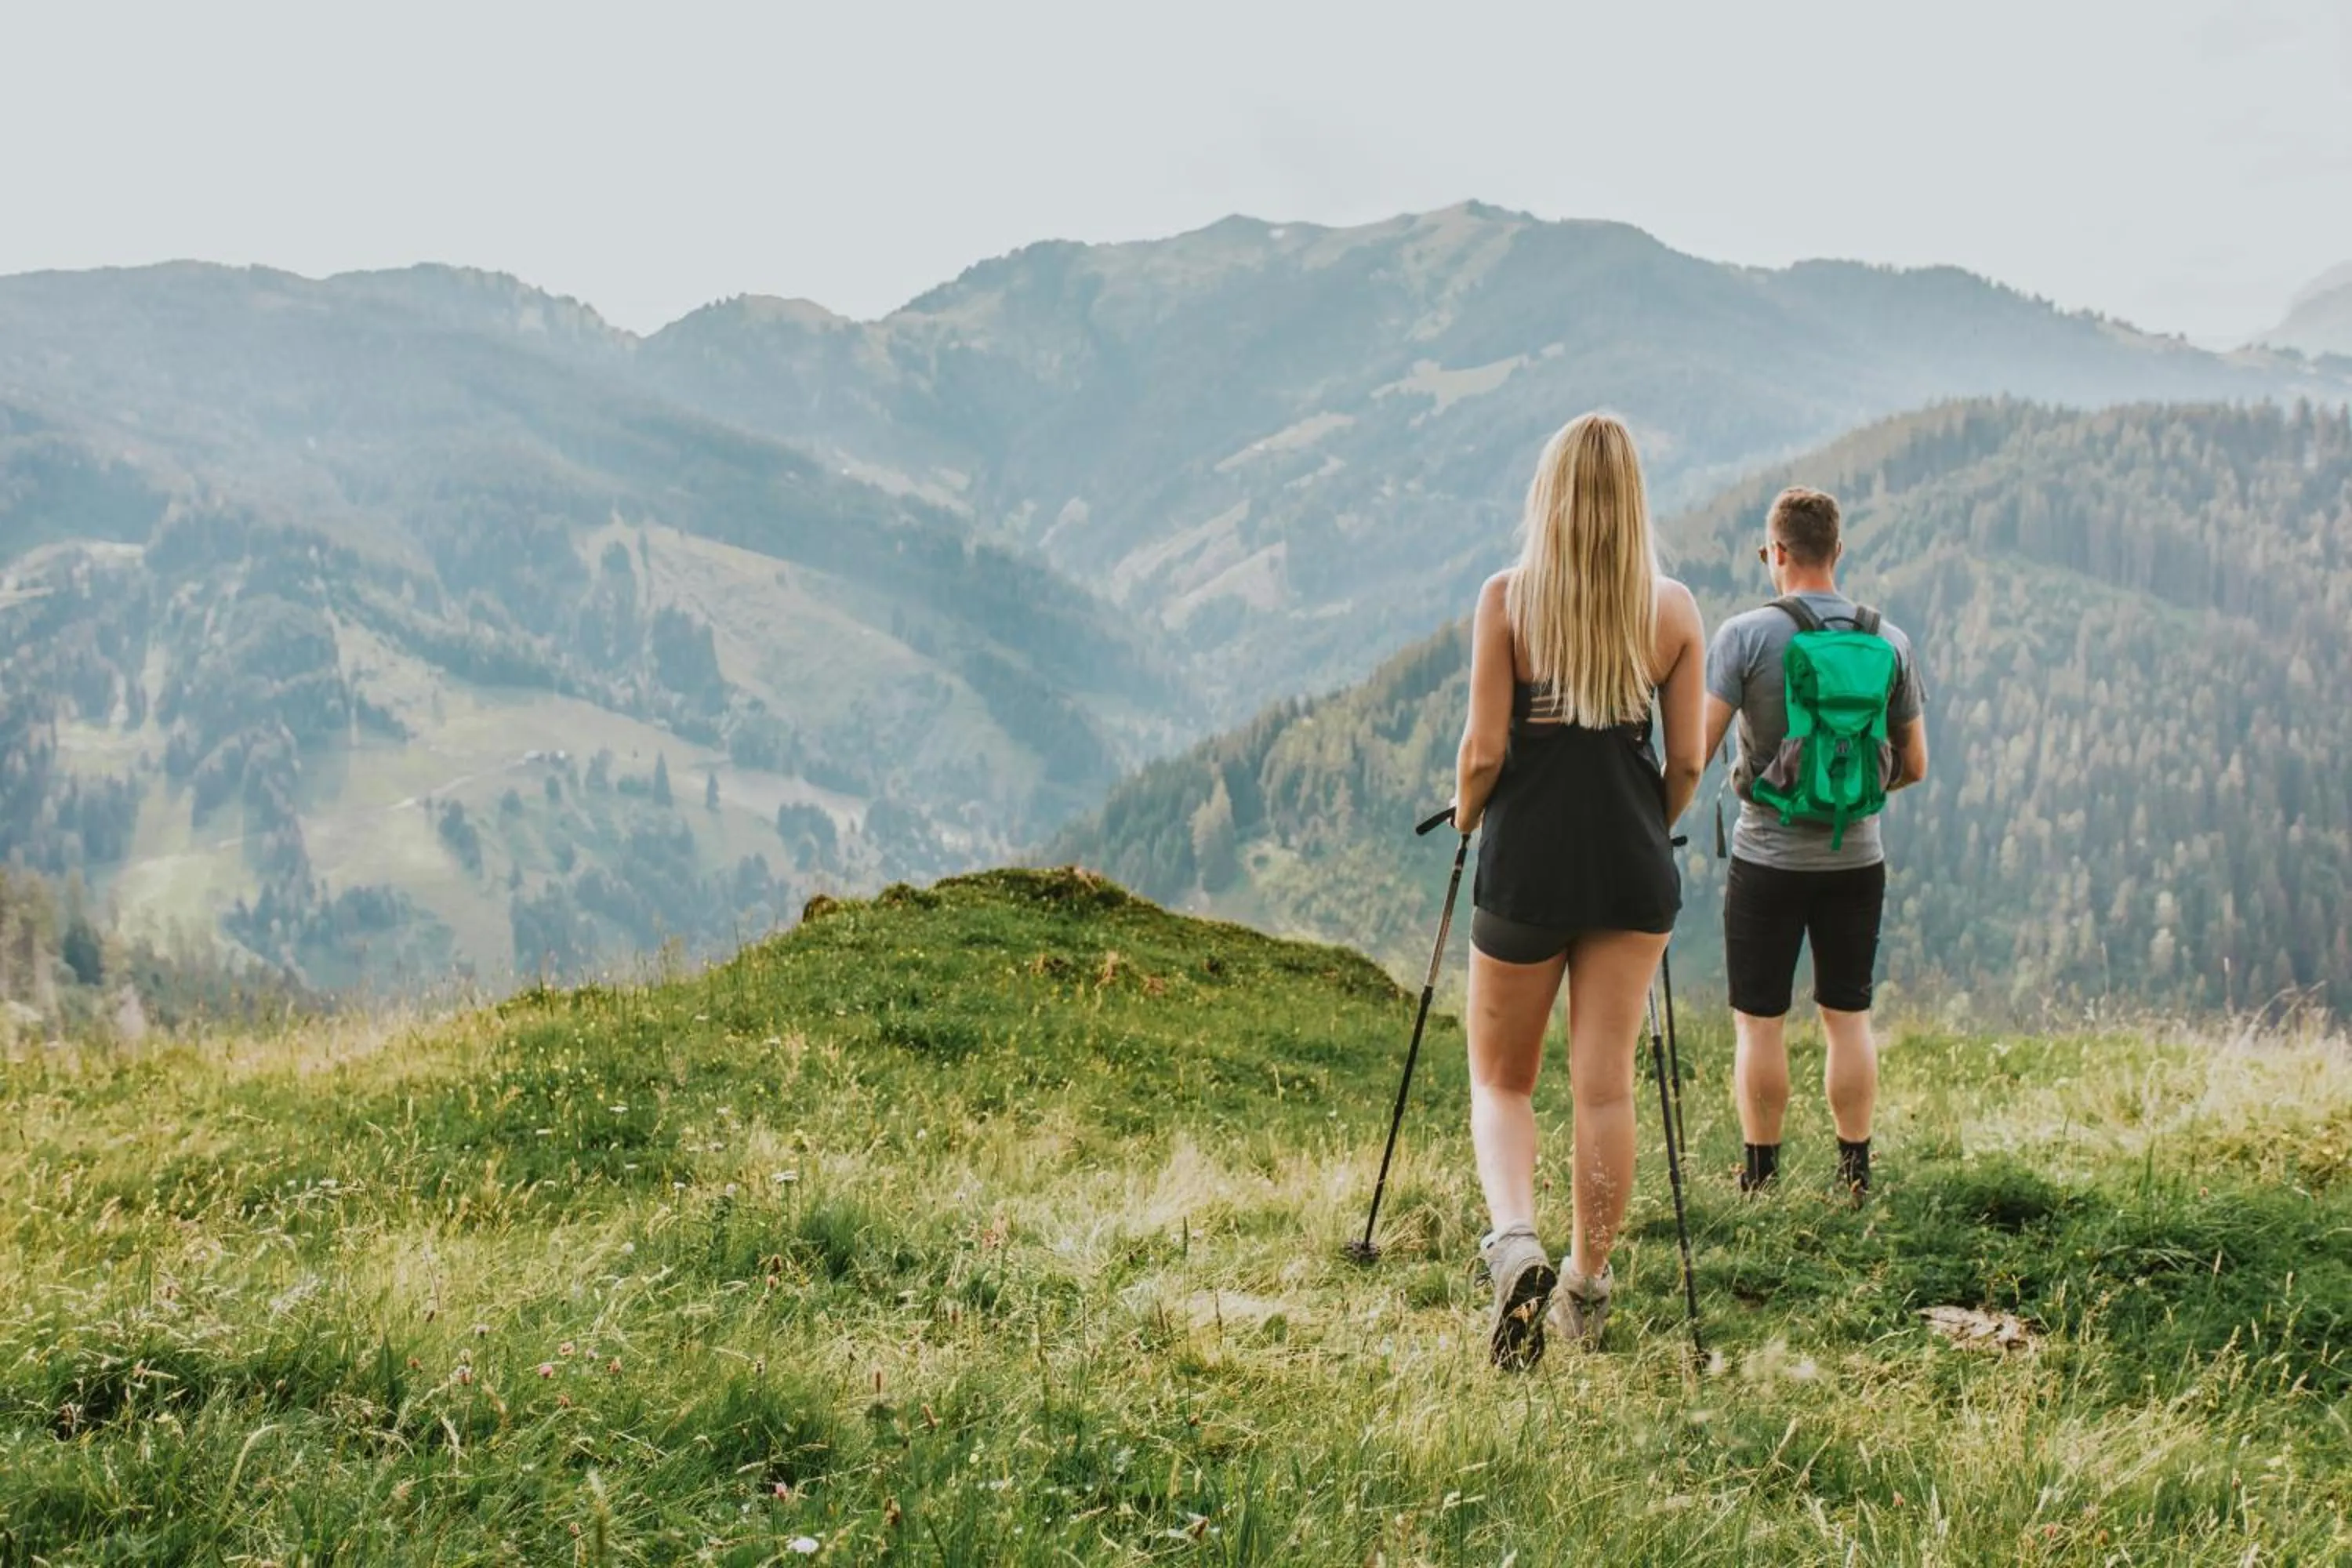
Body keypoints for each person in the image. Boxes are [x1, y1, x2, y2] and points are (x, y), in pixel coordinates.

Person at [1453, 412, 1705, 1367]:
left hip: (1527, 864)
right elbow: (1687, 761)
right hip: (1631, 868)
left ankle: (1516, 1241)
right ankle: (1586, 1287)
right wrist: (1649, 821)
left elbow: (1484, 752)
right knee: (1604, 1087)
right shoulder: (1672, 611)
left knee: (1501, 1078)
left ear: (1549, 495)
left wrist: (1466, 811)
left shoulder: (1508, 600)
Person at [1700, 486, 1929, 1202]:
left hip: (1766, 859)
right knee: (1847, 1016)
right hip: (1858, 859)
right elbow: (1915, 765)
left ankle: (1760, 1179)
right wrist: (1850, 796)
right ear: (1838, 551)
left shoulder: (1745, 636)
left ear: (1776, 553)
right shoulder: (1889, 641)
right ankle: (1854, 1177)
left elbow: (1694, 751)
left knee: (1759, 1023)